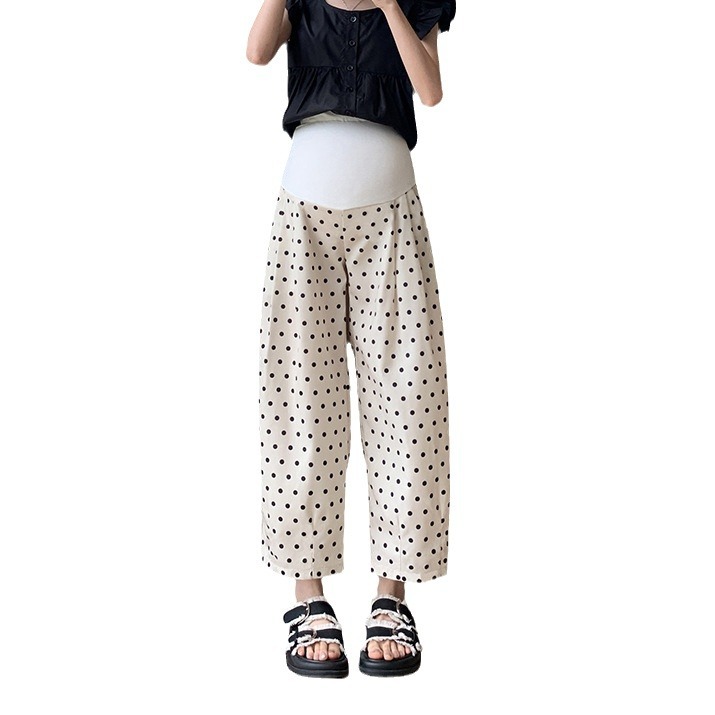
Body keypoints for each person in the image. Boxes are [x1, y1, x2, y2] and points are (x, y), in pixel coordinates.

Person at [247, 0, 456, 678]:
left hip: (390, 215)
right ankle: (307, 596)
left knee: (409, 405)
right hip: (303, 216)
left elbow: (430, 89)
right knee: (300, 406)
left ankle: (391, 596)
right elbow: (256, 51)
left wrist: (390, 2)